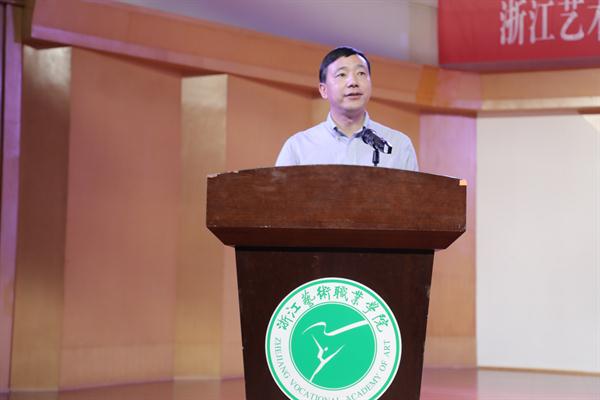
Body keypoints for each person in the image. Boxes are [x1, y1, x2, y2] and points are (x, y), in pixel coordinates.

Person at [275, 46, 418, 171]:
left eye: (361, 73)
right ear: (324, 90)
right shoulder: (298, 147)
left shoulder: (398, 145)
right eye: (342, 75)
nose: (353, 82)